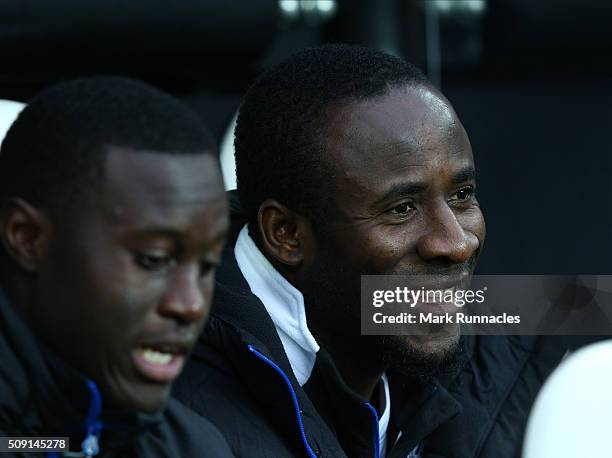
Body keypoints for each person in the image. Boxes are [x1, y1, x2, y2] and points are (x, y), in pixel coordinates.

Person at [172, 44, 579, 458]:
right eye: (401, 209)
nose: (457, 243)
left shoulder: (521, 340)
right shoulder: (164, 405)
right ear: (286, 234)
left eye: (462, 195)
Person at [0, 77, 233, 457]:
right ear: (26, 237)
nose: (190, 305)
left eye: (207, 266)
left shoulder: (190, 444)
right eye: (154, 260)